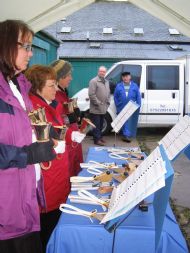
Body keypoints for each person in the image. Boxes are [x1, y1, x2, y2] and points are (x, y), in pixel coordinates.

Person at [0, 20, 56, 253]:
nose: (31, 53)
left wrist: (43, 134)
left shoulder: (19, 85)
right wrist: (28, 153)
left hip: (27, 200)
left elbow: (19, 129)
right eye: (25, 46)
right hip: (6, 209)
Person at [25, 64, 76, 252]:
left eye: (56, 85)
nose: (56, 89)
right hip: (48, 183)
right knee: (47, 230)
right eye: (51, 85)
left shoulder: (48, 104)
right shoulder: (35, 109)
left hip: (57, 177)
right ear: (37, 87)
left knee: (52, 227)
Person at [50, 59, 84, 176]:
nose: (71, 78)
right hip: (67, 146)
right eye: (68, 75)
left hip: (73, 143)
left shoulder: (63, 92)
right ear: (60, 77)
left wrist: (75, 115)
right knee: (69, 175)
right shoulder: (53, 96)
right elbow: (56, 124)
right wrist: (70, 119)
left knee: (75, 173)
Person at [114, 72, 141, 142]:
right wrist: (117, 105)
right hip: (121, 107)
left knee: (129, 121)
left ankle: (127, 134)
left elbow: (138, 96)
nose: (125, 78)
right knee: (124, 121)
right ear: (122, 78)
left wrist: (138, 105)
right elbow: (115, 96)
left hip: (131, 107)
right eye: (124, 77)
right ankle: (126, 135)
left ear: (130, 77)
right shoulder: (118, 86)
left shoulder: (135, 86)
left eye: (127, 76)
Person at [88, 66, 110, 146]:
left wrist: (108, 102)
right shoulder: (93, 81)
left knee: (101, 124)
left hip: (104, 108)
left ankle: (99, 137)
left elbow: (108, 93)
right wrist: (98, 103)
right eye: (101, 71)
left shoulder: (106, 82)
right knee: (96, 125)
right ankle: (96, 140)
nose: (102, 73)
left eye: (104, 72)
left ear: (105, 73)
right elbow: (91, 94)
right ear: (98, 72)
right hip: (96, 108)